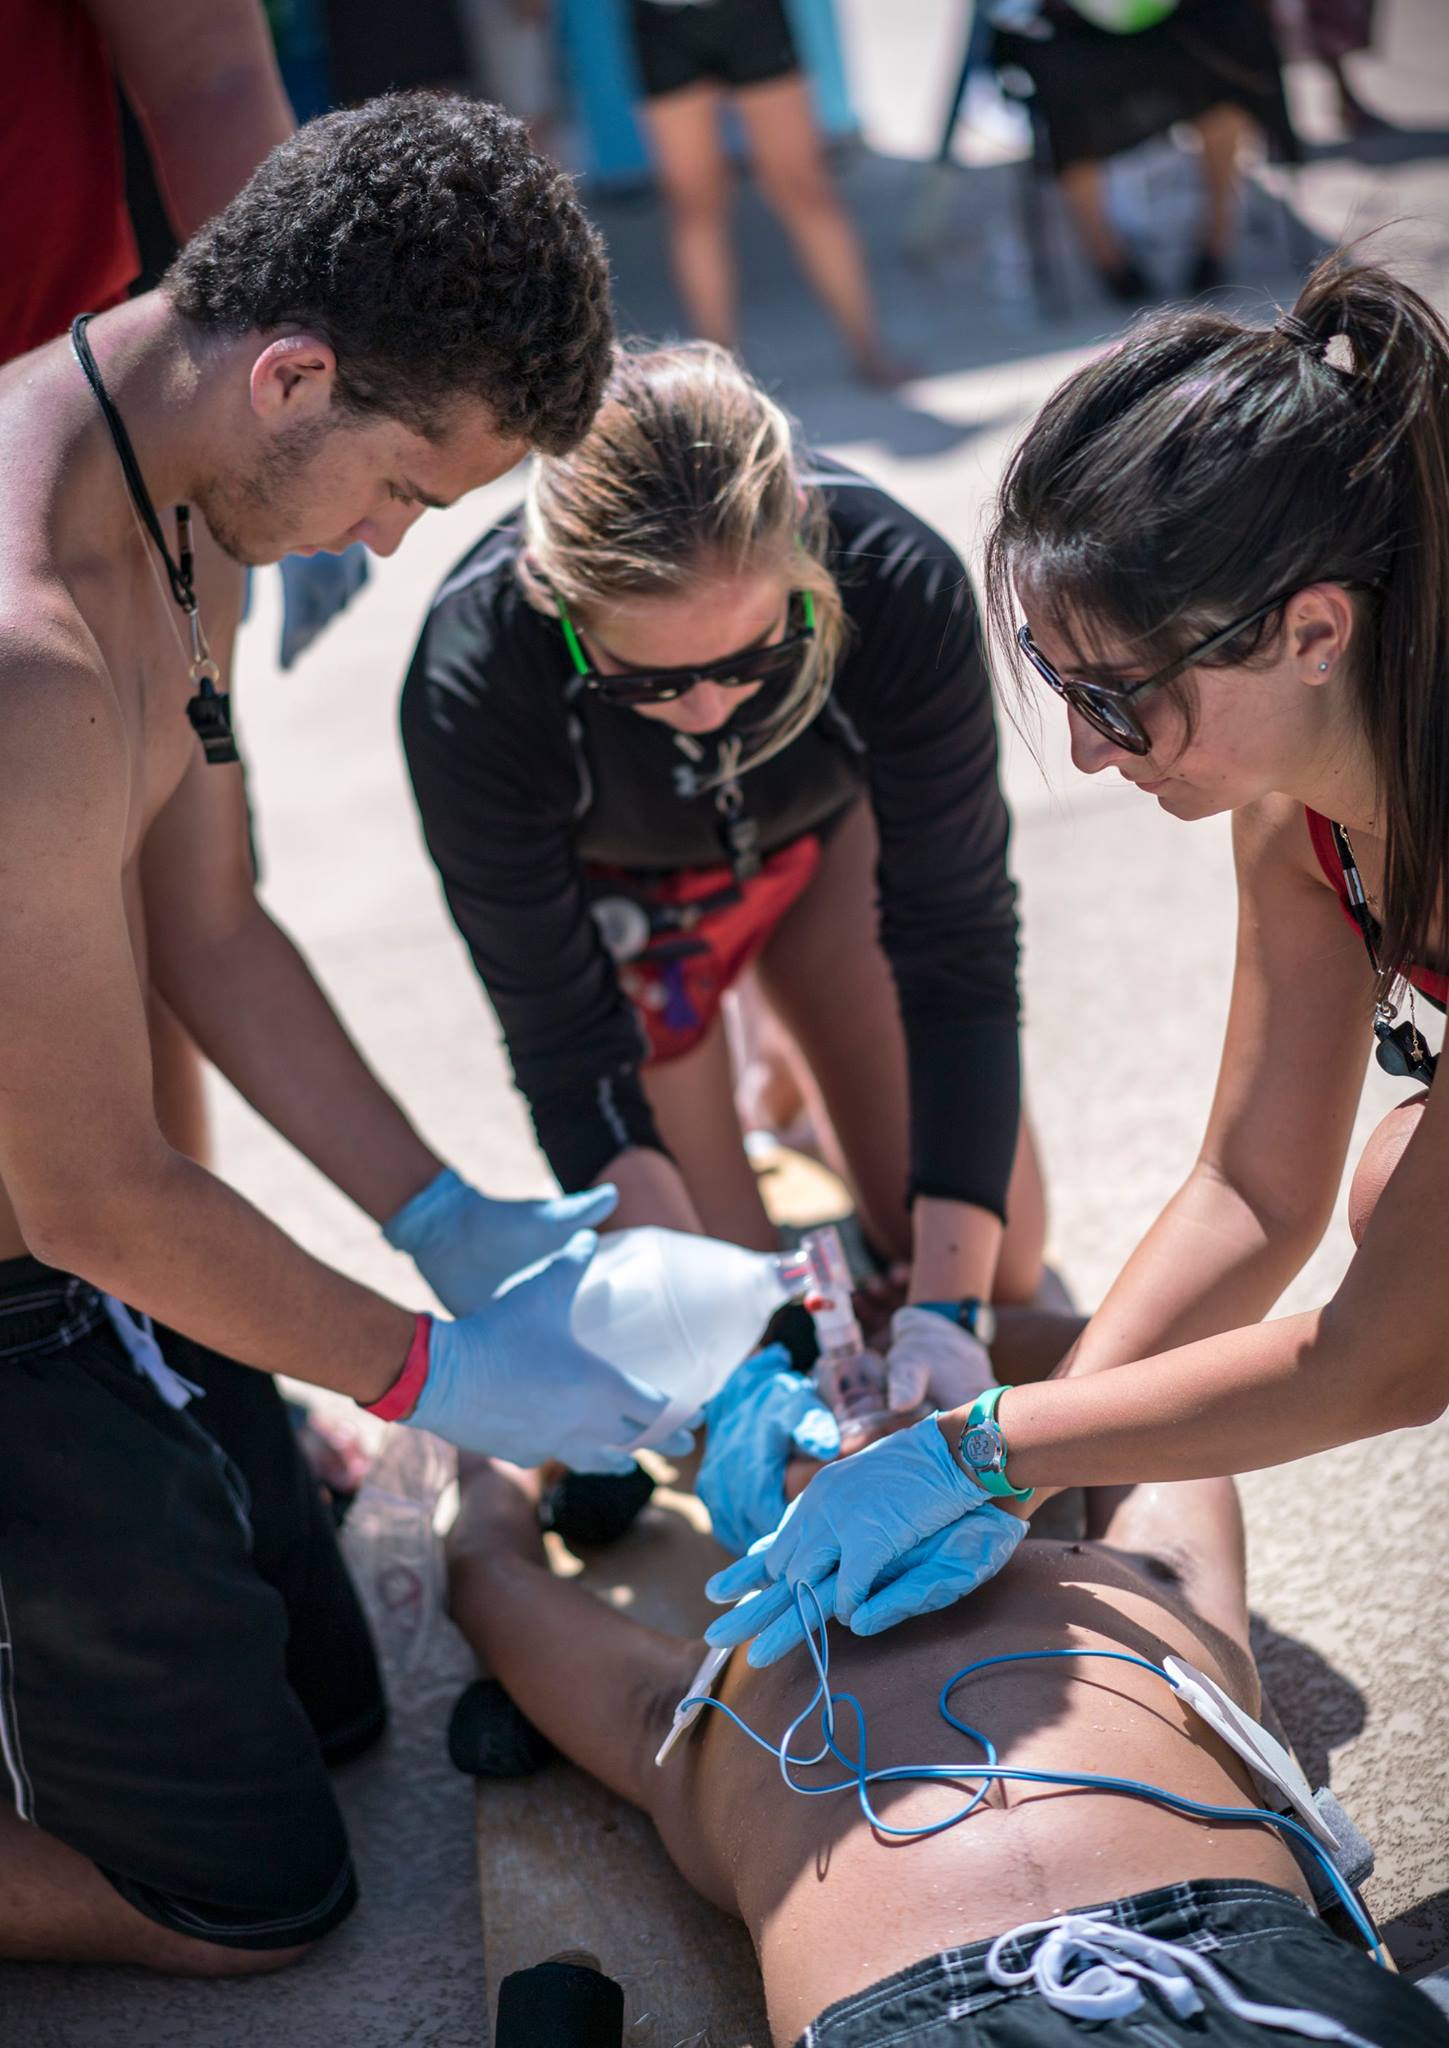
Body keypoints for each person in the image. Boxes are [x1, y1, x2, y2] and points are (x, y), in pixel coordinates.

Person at [0, 92, 698, 1978]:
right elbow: (87, 1195)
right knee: (242, 1903)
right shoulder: (25, 641)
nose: (392, 549)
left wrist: (448, 1216)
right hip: (42, 1258)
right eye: (409, 488)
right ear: (296, 374)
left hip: (65, 1254)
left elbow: (212, 933)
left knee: (332, 1705)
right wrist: (434, 1377)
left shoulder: (175, 499)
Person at [705, 250, 1449, 1668]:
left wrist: (982, 1448)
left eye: (1119, 697)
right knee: (1381, 1187)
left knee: (1407, 1227)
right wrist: (1032, 1477)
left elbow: (1387, 1364)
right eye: (1059, 683)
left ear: (1312, 630)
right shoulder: (1303, 819)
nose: (1092, 752)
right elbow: (1248, 1191)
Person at [401, 340, 1048, 1546]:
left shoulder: (896, 577)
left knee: (1005, 1259)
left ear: (806, 540)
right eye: (646, 680)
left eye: (757, 659)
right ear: (553, 594)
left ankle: (788, 1094)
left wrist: (950, 1307)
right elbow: (564, 1046)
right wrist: (741, 1374)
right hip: (638, 914)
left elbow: (959, 947)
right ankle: (758, 1086)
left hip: (816, 848)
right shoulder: (474, 676)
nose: (708, 707)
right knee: (732, 1346)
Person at [445, 1433, 1449, 2044]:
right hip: (911, 2018)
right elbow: (488, 1574)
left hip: (1242, 1970)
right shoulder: (694, 1690)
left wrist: (986, 1365)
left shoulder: (1145, 1567)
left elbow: (1165, 1382)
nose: (854, 1419)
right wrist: (509, 1437)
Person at [627, 0, 900, 383]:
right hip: (663, 23)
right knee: (694, 205)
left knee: (804, 190)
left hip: (751, 17)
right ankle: (719, 380)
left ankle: (869, 350)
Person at [991, 0, 1297, 300]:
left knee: (1229, 52)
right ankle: (1107, 258)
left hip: (1178, 16)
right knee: (1064, 91)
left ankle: (1217, 241)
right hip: (1073, 26)